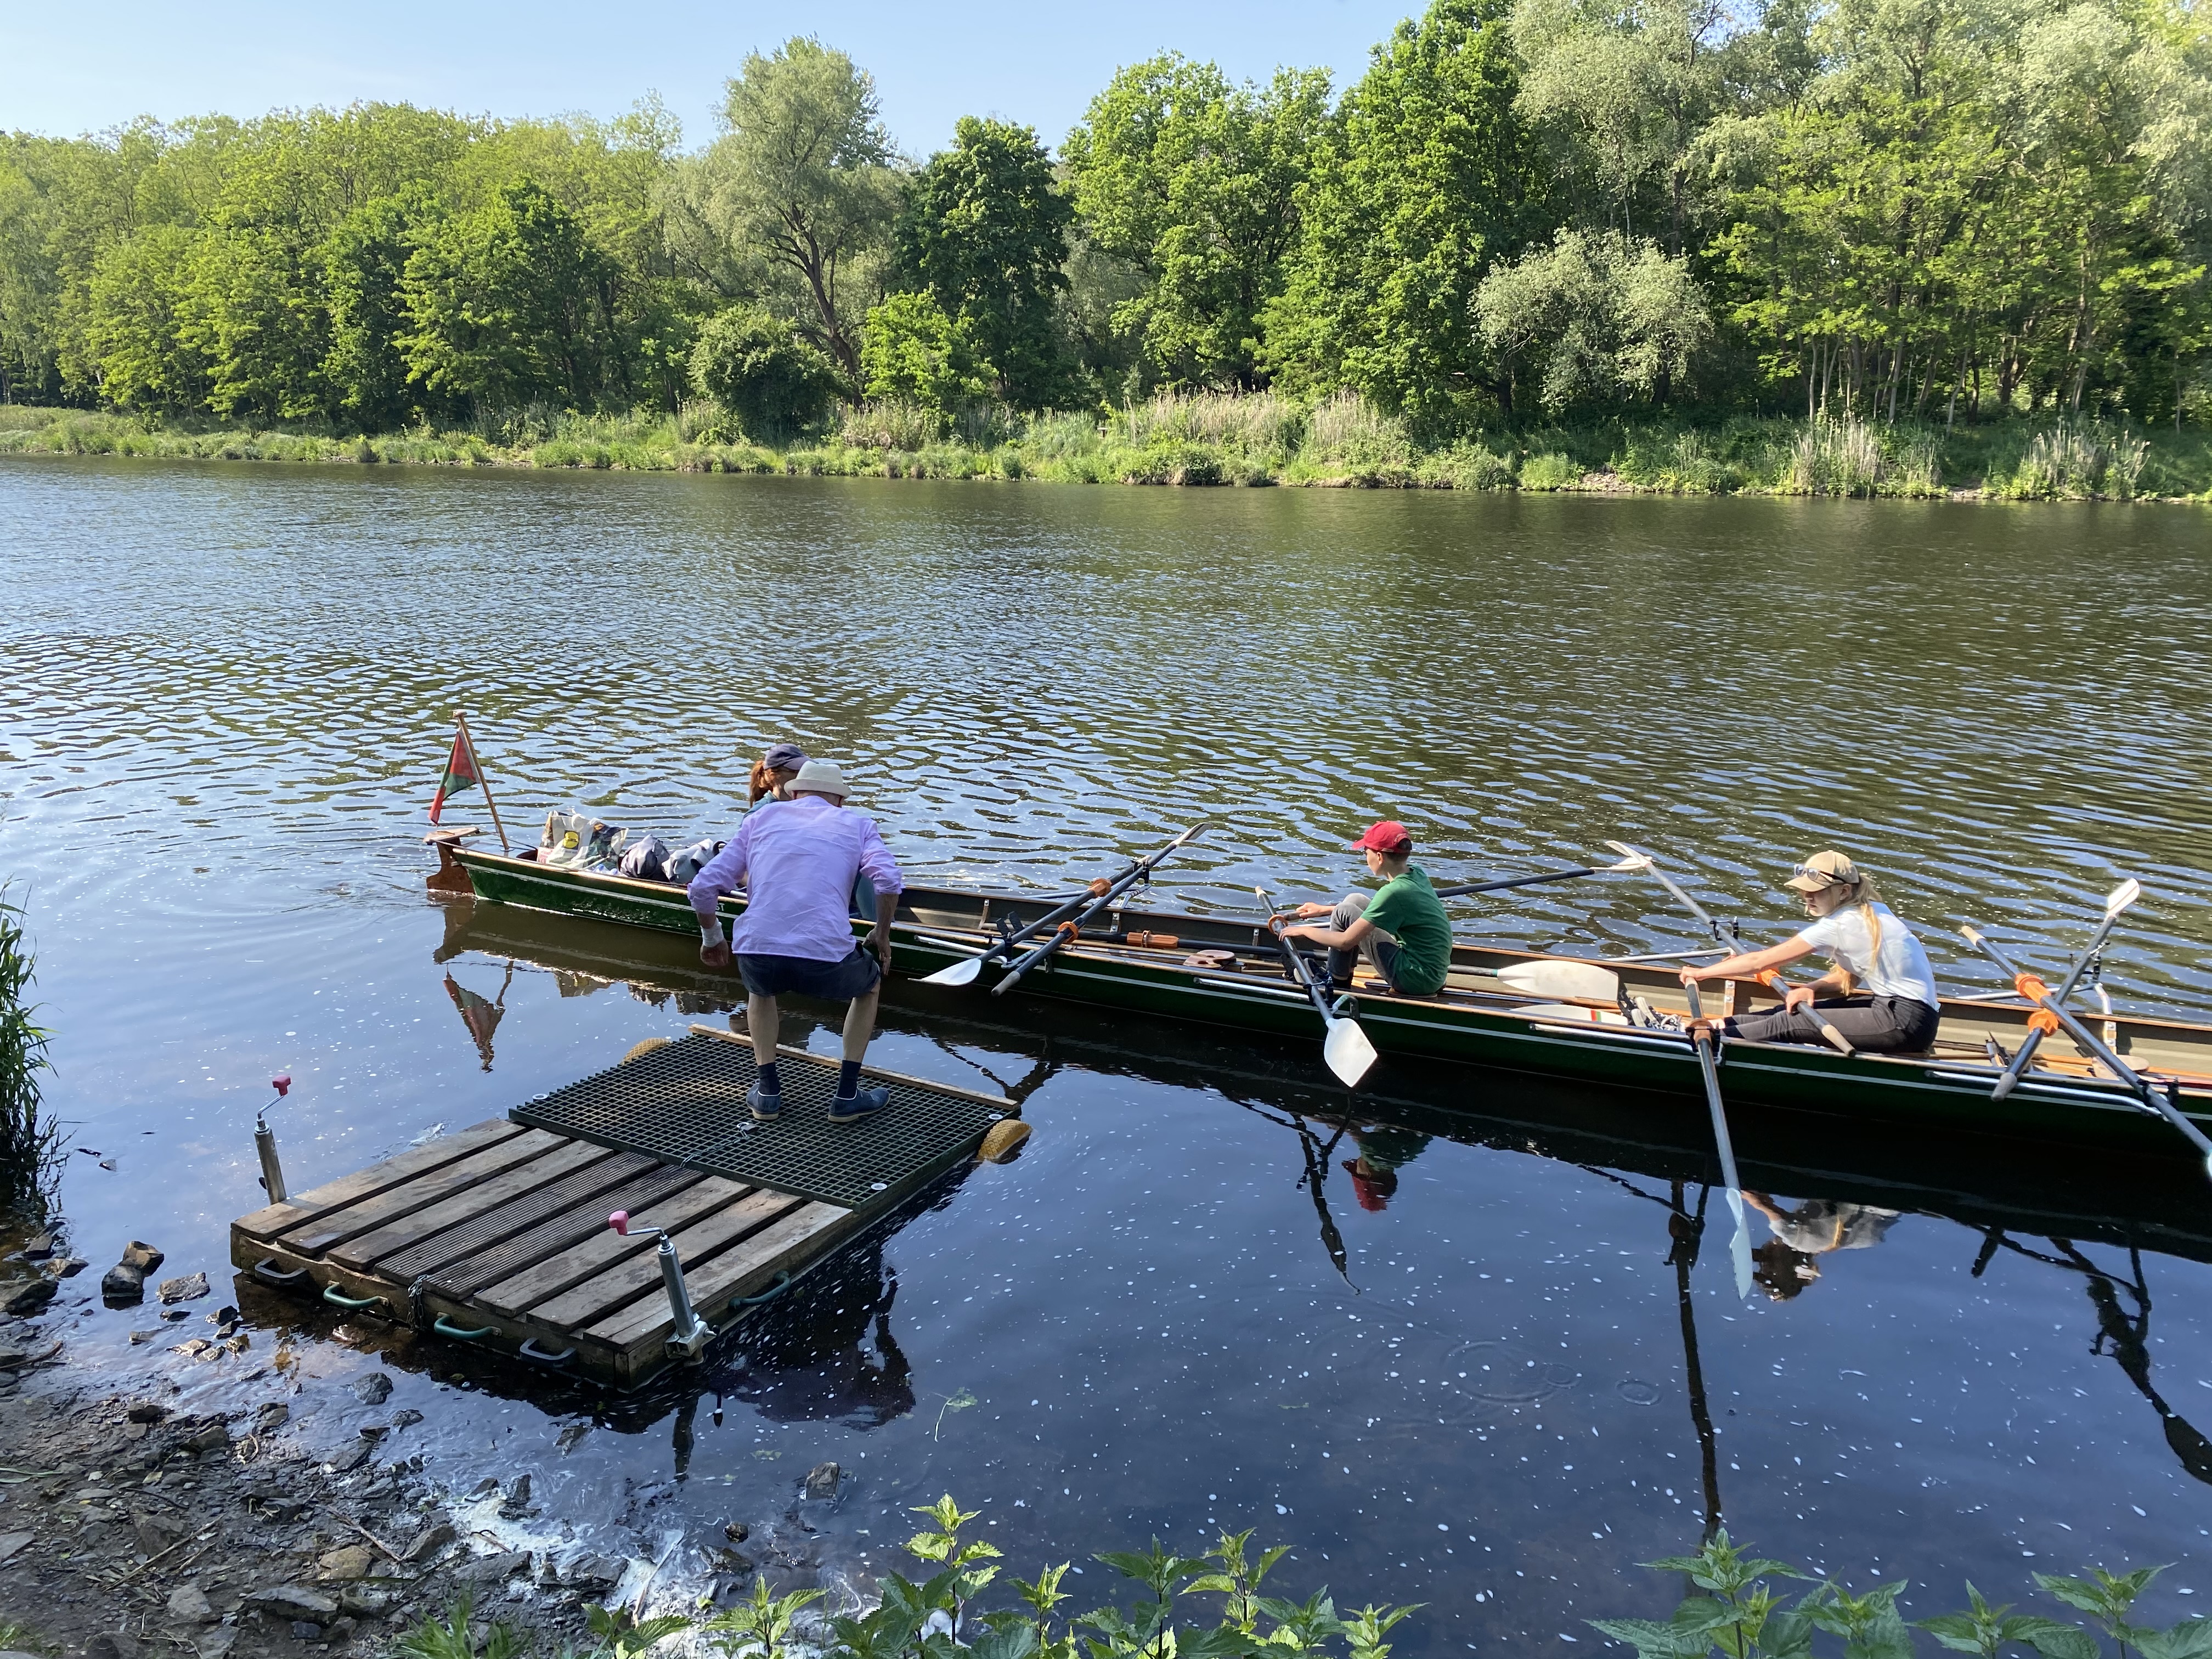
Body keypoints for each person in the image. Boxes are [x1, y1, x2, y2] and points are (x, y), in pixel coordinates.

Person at [689, 758, 905, 1124]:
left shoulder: (759, 820)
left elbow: (703, 887)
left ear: (796, 793)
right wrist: (881, 934)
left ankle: (768, 1094)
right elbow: (888, 882)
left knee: (761, 991)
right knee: (868, 987)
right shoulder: (859, 825)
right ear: (839, 800)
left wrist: (713, 938)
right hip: (826, 952)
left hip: (757, 947)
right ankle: (847, 1096)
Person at [1679, 849, 1940, 1053]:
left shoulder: (1841, 924)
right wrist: (1812, 988)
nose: (1808, 897)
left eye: (1816, 891)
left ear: (1844, 891)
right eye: (1805, 891)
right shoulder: (1873, 909)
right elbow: (1846, 977)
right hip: (1903, 1011)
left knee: (1789, 1023)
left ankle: (1706, 1042)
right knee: (1789, 1011)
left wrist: (1701, 973)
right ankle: (1720, 1026)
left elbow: (1759, 962)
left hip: (1905, 1022)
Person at [1278, 820, 1454, 997]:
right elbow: (1382, 910)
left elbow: (1345, 941)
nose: (1364, 857)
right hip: (1432, 974)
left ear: (1379, 857)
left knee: (1344, 912)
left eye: (1365, 851)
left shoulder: (1393, 893)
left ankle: (1335, 982)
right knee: (1354, 900)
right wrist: (1323, 910)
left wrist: (1303, 931)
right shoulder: (1416, 873)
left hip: (1416, 980)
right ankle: (1341, 973)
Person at [749, 742, 808, 806]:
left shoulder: (805, 804)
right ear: (774, 776)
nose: (802, 774)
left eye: (804, 769)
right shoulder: (759, 812)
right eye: (796, 771)